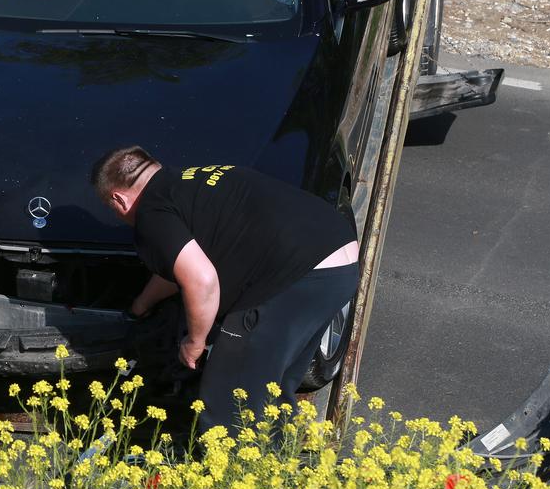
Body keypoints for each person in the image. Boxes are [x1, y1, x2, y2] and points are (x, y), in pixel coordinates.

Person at [91, 146, 360, 436]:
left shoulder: (152, 213)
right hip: (340, 260)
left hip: (297, 277)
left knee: (228, 397)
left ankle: (231, 470)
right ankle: (277, 461)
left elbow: (202, 280)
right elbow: (180, 266)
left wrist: (195, 341)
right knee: (271, 387)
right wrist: (141, 305)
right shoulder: (194, 179)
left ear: (118, 200)